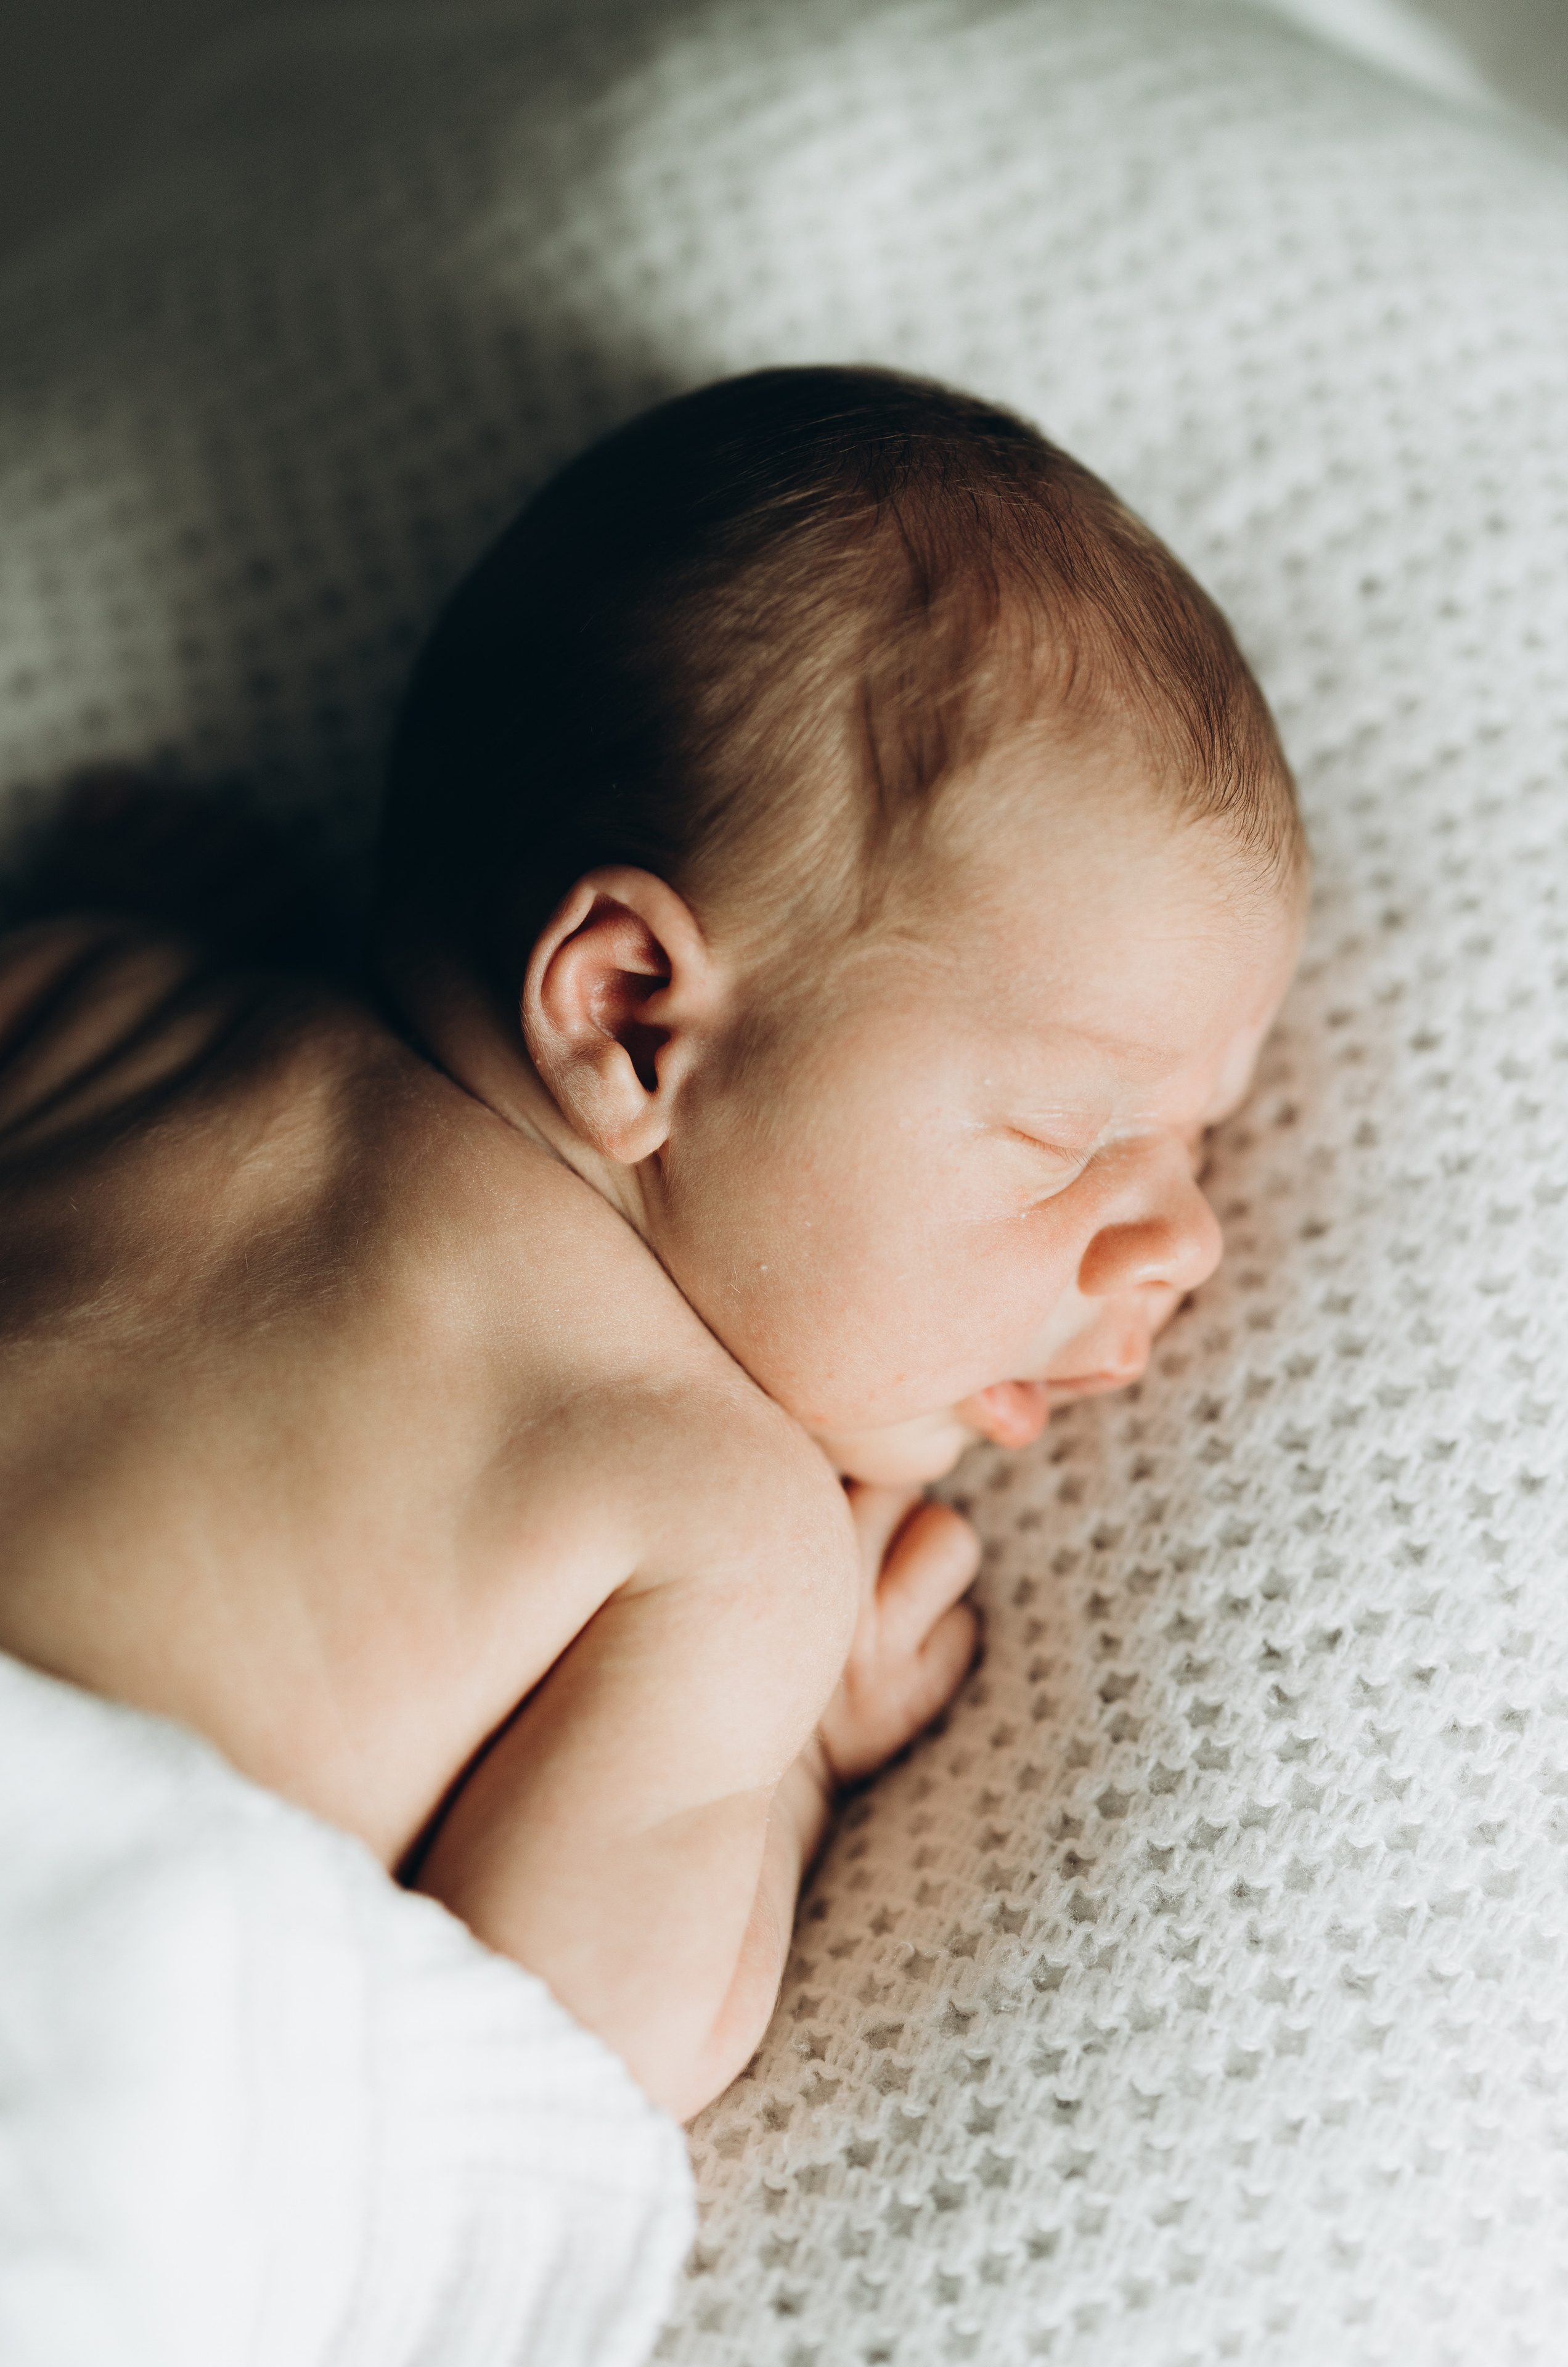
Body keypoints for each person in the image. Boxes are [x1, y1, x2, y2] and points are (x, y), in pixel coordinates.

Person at [0, 367, 1305, 2122]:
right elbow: (564, 2057)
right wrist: (786, 1772)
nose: (1186, 1241)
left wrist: (171, 926)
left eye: (1197, 1153)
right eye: (1075, 1134)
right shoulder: (728, 1533)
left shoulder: (117, 1009)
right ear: (627, 1018)